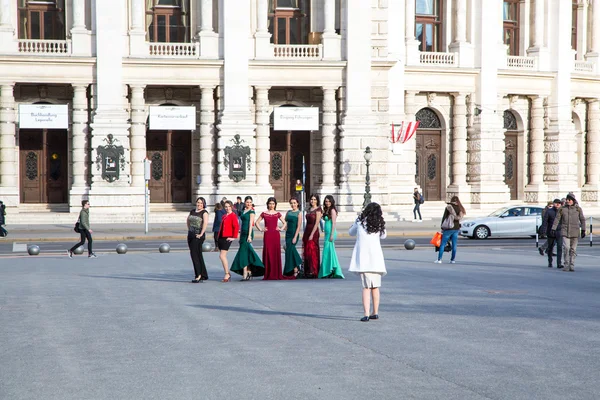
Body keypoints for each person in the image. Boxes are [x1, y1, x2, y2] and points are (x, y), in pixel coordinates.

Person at [349, 202, 387, 322]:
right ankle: (375, 312)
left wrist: (356, 221)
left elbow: (351, 232)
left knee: (366, 287)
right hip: (376, 261)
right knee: (375, 287)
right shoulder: (379, 224)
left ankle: (366, 313)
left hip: (364, 261)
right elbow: (384, 236)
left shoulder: (360, 223)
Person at [255, 197, 293, 280]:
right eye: (270, 204)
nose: (271, 205)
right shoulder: (264, 213)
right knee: (268, 252)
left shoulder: (277, 213)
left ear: (275, 205)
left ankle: (276, 273)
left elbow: (285, 223)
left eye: (273, 204)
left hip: (276, 235)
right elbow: (256, 222)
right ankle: (268, 273)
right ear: (267, 204)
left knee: (275, 252)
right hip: (267, 235)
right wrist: (261, 229)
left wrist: (281, 229)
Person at [231, 196, 265, 281]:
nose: (249, 204)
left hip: (248, 233)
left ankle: (245, 273)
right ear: (245, 202)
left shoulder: (252, 211)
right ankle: (249, 271)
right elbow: (240, 222)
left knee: (243, 253)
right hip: (243, 233)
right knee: (246, 253)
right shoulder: (243, 211)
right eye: (247, 202)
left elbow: (251, 224)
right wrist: (239, 231)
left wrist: (249, 235)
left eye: (250, 202)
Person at [551, 193, 585, 272]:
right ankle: (566, 264)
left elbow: (582, 219)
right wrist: (553, 228)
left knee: (573, 249)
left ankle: (572, 264)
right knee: (566, 247)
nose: (568, 201)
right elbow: (557, 219)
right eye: (567, 199)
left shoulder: (578, 209)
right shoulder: (562, 209)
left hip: (575, 232)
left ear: (573, 200)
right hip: (565, 231)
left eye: (569, 200)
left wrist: (583, 230)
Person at [319, 195, 344, 279]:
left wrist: (332, 235)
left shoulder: (332, 210)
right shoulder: (327, 210)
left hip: (331, 233)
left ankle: (328, 271)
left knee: (326, 252)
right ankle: (332, 269)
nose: (327, 203)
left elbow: (334, 223)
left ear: (332, 202)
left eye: (329, 201)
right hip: (327, 233)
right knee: (330, 252)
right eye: (326, 201)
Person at [435, 196, 466, 264]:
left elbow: (444, 217)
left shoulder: (449, 207)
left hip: (448, 228)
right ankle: (453, 260)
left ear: (451, 200)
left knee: (443, 244)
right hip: (456, 228)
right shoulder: (460, 208)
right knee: (454, 244)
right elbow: (459, 218)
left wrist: (442, 227)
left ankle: (439, 259)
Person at [187, 197, 209, 283]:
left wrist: (201, 233)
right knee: (197, 254)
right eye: (198, 202)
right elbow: (188, 221)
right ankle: (203, 274)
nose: (199, 204)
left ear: (203, 204)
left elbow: (205, 223)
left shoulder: (204, 212)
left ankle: (198, 275)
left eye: (201, 203)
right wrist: (190, 230)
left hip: (198, 235)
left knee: (194, 255)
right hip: (191, 235)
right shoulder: (192, 211)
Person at [217, 200, 239, 282]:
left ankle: (227, 273)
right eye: (226, 207)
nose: (227, 208)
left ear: (232, 207)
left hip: (227, 237)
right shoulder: (224, 215)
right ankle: (227, 273)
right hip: (221, 237)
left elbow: (236, 227)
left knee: (222, 256)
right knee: (222, 256)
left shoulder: (233, 215)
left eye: (229, 206)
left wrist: (234, 237)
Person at [302, 194, 322, 278]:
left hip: (313, 231)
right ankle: (308, 270)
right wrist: (306, 233)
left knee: (312, 250)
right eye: (311, 199)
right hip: (307, 230)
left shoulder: (318, 210)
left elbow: (317, 223)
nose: (312, 201)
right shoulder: (309, 209)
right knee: (307, 250)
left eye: (314, 199)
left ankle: (314, 270)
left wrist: (312, 234)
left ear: (317, 200)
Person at [283, 197, 303, 277]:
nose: (293, 204)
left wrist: (295, 237)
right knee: (289, 251)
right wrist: (284, 228)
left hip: (294, 234)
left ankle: (295, 268)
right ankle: (295, 268)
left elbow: (298, 226)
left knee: (291, 249)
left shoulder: (299, 213)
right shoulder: (288, 212)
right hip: (288, 234)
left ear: (297, 203)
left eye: (294, 203)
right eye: (291, 203)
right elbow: (285, 221)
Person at [541, 199, 563, 269]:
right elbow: (545, 222)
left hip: (559, 232)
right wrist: (543, 231)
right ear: (553, 204)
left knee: (559, 247)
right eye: (556, 203)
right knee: (550, 247)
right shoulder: (549, 211)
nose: (558, 204)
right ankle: (550, 261)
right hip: (550, 232)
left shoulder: (562, 212)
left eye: (559, 203)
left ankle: (559, 263)